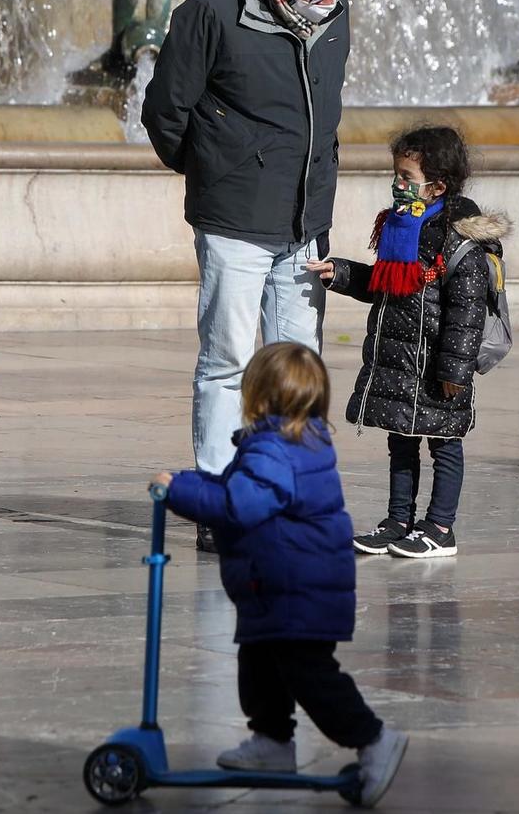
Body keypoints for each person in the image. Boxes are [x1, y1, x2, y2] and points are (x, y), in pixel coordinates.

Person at [141, 0, 350, 552]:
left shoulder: (334, 5)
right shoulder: (209, 12)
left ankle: (289, 490)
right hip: (235, 220)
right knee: (227, 360)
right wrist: (221, 172)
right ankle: (218, 500)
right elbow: (164, 114)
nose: (330, 4)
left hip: (305, 220)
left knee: (299, 365)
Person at [152, 342, 408, 808]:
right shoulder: (297, 441)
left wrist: (180, 492)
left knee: (309, 676)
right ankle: (271, 742)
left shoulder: (271, 448)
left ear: (258, 397)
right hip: (280, 587)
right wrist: (190, 482)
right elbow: (239, 489)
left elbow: (237, 505)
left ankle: (374, 738)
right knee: (259, 664)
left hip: (295, 590)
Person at [309, 126, 506, 560]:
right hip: (400, 358)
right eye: (396, 174)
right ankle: (398, 520)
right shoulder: (402, 226)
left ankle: (439, 527)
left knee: (444, 445)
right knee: (401, 439)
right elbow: (386, 286)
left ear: (436, 185)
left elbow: (468, 312)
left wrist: (455, 371)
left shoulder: (460, 239)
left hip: (437, 365)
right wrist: (339, 273)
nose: (397, 184)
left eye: (405, 176)